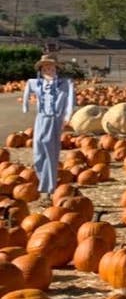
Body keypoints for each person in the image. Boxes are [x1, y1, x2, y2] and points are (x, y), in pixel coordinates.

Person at [21, 54, 76, 198]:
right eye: (45, 67)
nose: (48, 69)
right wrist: (25, 106)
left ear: (56, 68)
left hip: (54, 119)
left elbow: (70, 101)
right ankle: (42, 181)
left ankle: (50, 188)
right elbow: (27, 90)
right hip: (40, 119)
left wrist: (67, 116)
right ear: (41, 69)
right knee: (38, 150)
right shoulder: (35, 83)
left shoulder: (65, 84)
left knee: (50, 152)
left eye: (51, 66)